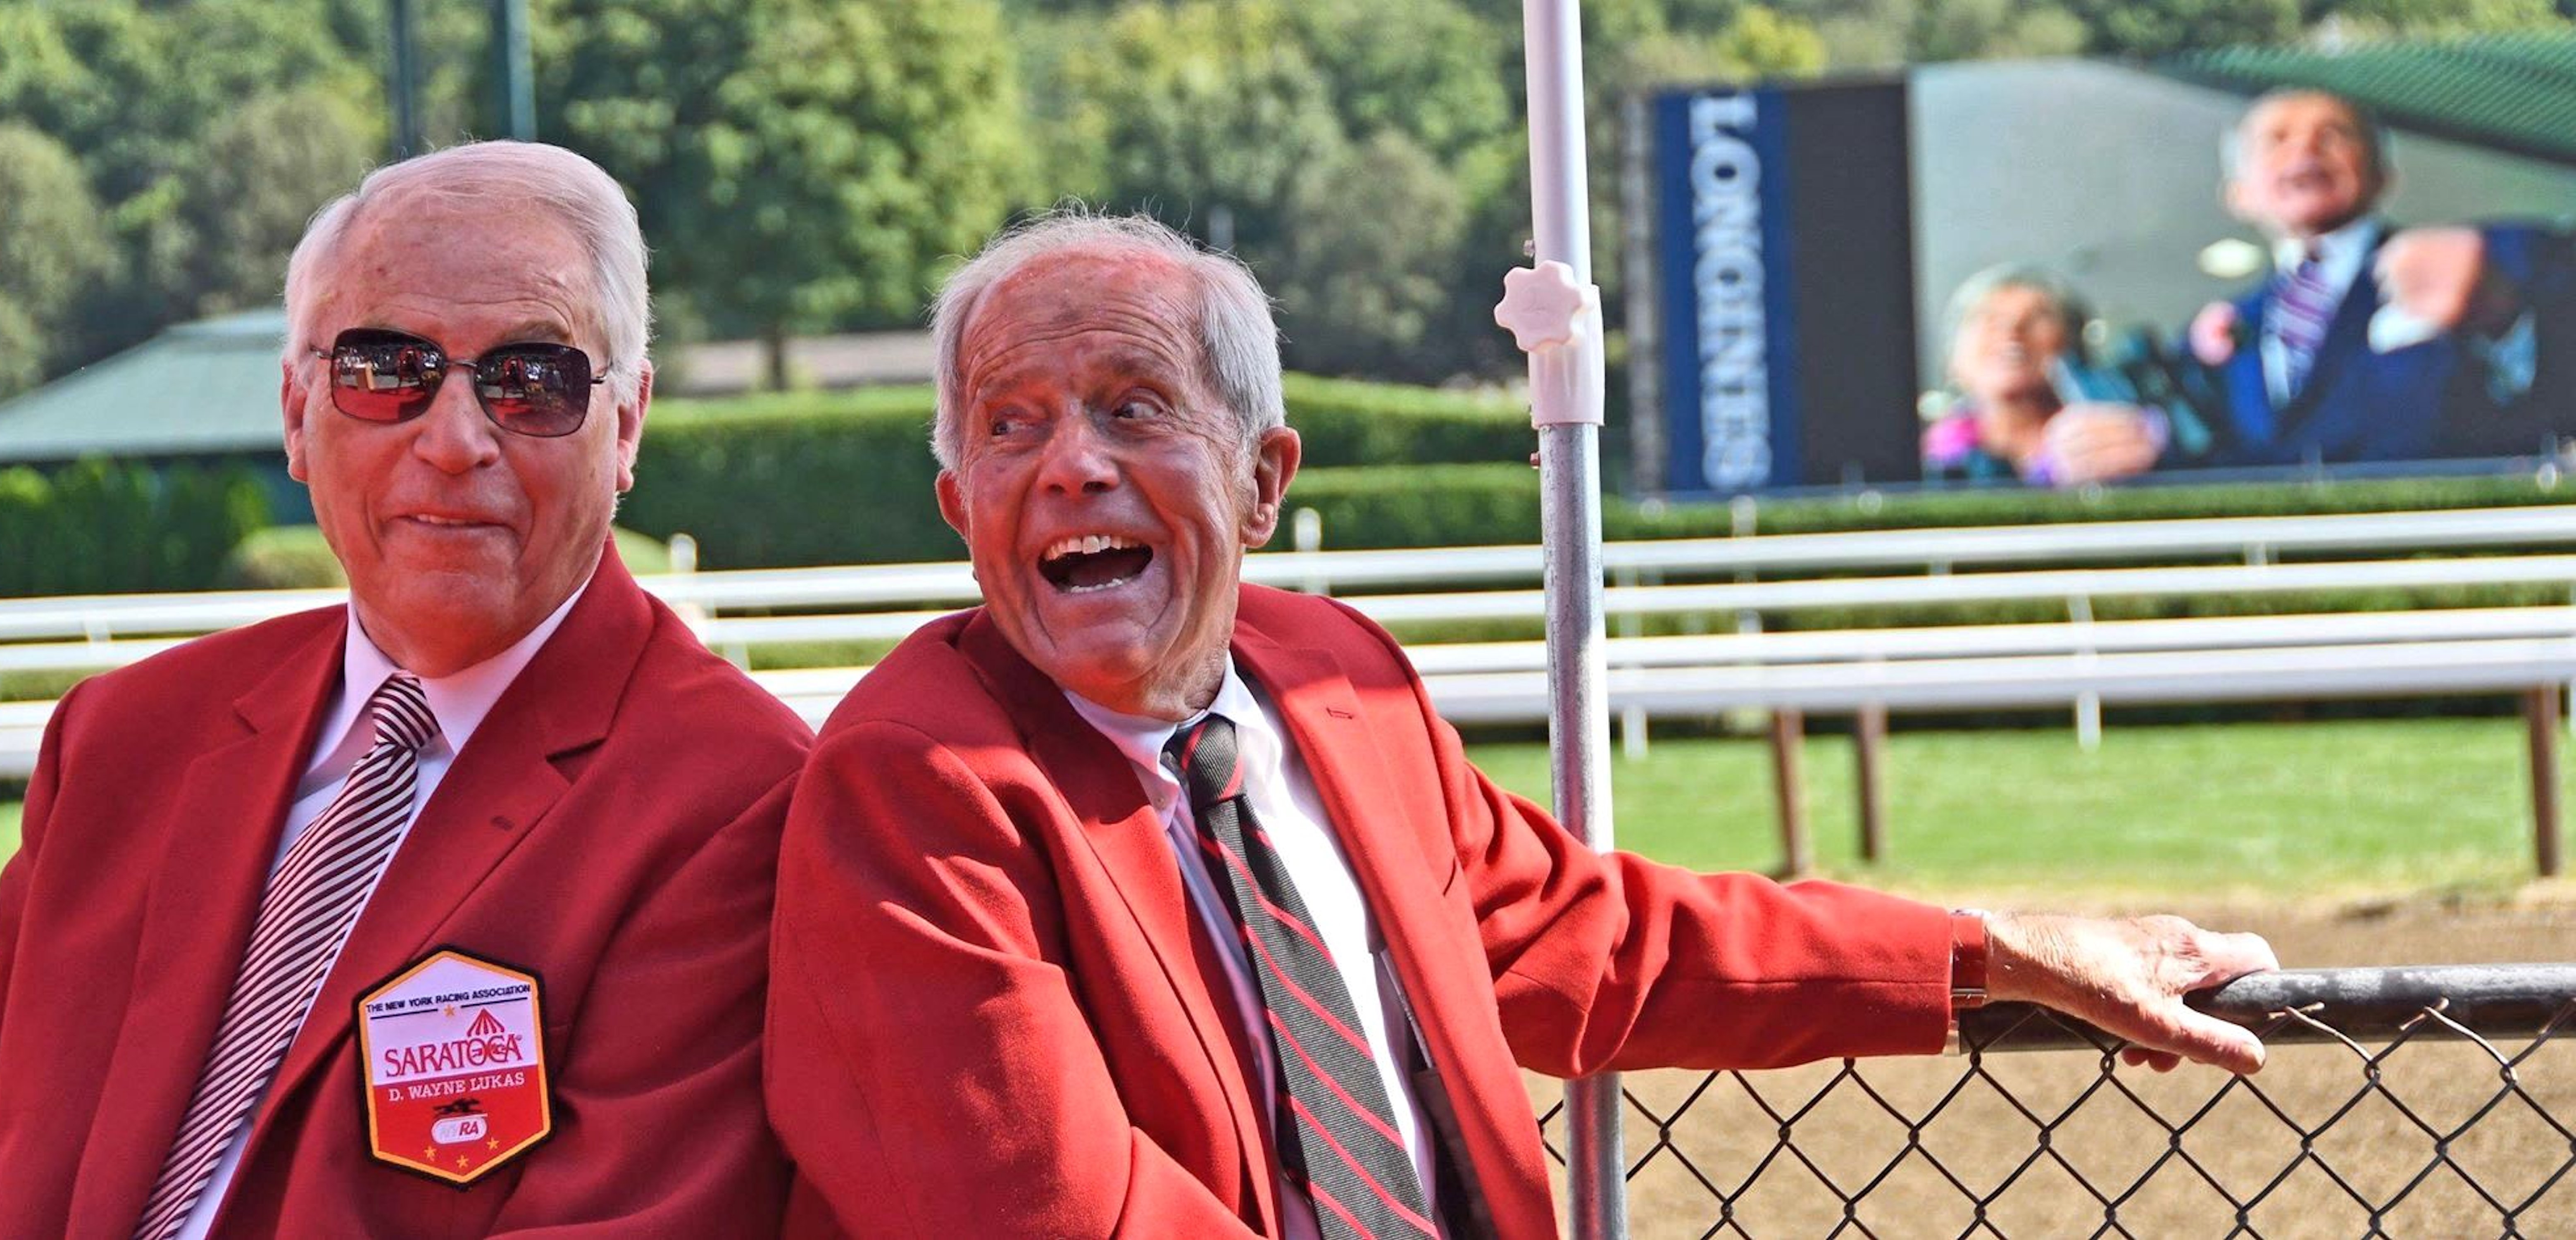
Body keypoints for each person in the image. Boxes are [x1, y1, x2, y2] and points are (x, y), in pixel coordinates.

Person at [766, 212, 2279, 1238]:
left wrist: (1989, 951)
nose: (1070, 464)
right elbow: (1044, 1208)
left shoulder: (1337, 675)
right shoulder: (914, 782)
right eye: (1011, 424)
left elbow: (1593, 939)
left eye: (1132, 404)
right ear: (961, 503)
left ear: (1261, 477)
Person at [0, 142, 814, 1237]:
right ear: (296, 412)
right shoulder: (122, 740)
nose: (456, 439)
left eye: (532, 380)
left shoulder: (734, 799)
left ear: (624, 426)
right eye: (387, 370)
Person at [2187, 88, 2574, 467]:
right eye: (2276, 140)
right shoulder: (2225, 333)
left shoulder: (2499, 261)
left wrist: (2501, 317)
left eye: (2334, 134)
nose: (2305, 148)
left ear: (2382, 175)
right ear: (2238, 195)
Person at [1924, 265, 2176, 486]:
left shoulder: (2130, 436)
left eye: (2037, 318)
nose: (2012, 332)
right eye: (1990, 319)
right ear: (1953, 361)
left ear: (2073, 347)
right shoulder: (1925, 466)